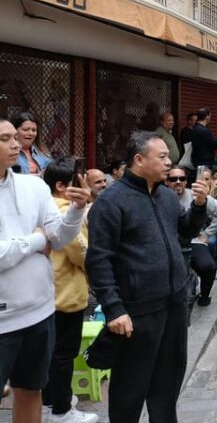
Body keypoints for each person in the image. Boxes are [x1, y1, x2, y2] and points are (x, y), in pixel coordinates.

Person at [86, 132, 208, 422]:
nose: (170, 163)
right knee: (130, 386)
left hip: (175, 303)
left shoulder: (166, 195)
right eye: (162, 157)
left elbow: (185, 231)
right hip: (137, 310)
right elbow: (99, 260)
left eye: (169, 156)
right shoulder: (112, 202)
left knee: (168, 381)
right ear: (139, 160)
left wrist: (200, 206)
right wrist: (114, 308)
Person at [0, 116, 89, 423]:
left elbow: (60, 236)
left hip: (39, 311)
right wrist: (37, 240)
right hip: (3, 320)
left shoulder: (33, 186)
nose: (15, 144)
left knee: (30, 391)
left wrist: (76, 211)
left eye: (15, 136)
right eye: (4, 138)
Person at [42, 158, 98, 423]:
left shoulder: (42, 208)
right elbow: (82, 253)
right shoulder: (67, 213)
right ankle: (61, 409)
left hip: (46, 295)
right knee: (63, 354)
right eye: (80, 181)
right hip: (65, 294)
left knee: (49, 353)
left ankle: (50, 401)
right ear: (62, 185)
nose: (85, 186)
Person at [166, 167, 217, 306]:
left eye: (182, 179)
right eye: (173, 179)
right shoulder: (161, 197)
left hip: (192, 242)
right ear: (166, 181)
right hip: (169, 243)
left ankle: (204, 295)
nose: (178, 182)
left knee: (208, 267)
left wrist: (207, 233)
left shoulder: (195, 195)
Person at [191, 107, 217, 173]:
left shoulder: (194, 128)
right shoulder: (204, 130)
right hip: (205, 162)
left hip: (197, 161)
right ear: (207, 117)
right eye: (210, 116)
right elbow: (216, 144)